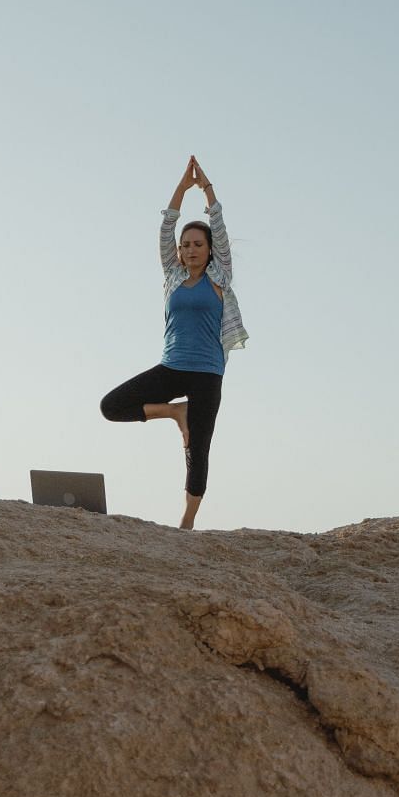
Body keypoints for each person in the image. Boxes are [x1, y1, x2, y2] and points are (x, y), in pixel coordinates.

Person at [98, 155, 249, 529]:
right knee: (112, 405)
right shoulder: (172, 275)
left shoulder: (220, 277)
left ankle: (187, 522)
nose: (191, 249)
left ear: (210, 250)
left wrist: (208, 190)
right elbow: (166, 228)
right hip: (172, 366)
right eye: (186, 245)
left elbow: (220, 227)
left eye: (198, 244)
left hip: (207, 373)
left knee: (198, 451)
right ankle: (174, 412)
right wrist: (182, 188)